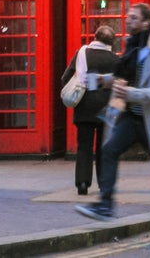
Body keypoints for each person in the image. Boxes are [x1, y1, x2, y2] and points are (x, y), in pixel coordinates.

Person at [76, 4, 150, 241]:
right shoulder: (131, 47)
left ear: (146, 22)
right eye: (128, 16)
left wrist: (132, 94)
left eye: (134, 18)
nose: (128, 20)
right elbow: (123, 78)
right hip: (130, 117)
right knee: (108, 151)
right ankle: (106, 204)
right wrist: (102, 81)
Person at [62, 24, 118, 196]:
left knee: (84, 146)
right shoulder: (114, 59)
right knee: (104, 148)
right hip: (105, 109)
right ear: (111, 42)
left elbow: (65, 77)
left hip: (84, 107)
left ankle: (83, 184)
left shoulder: (81, 53)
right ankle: (104, 184)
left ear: (95, 36)